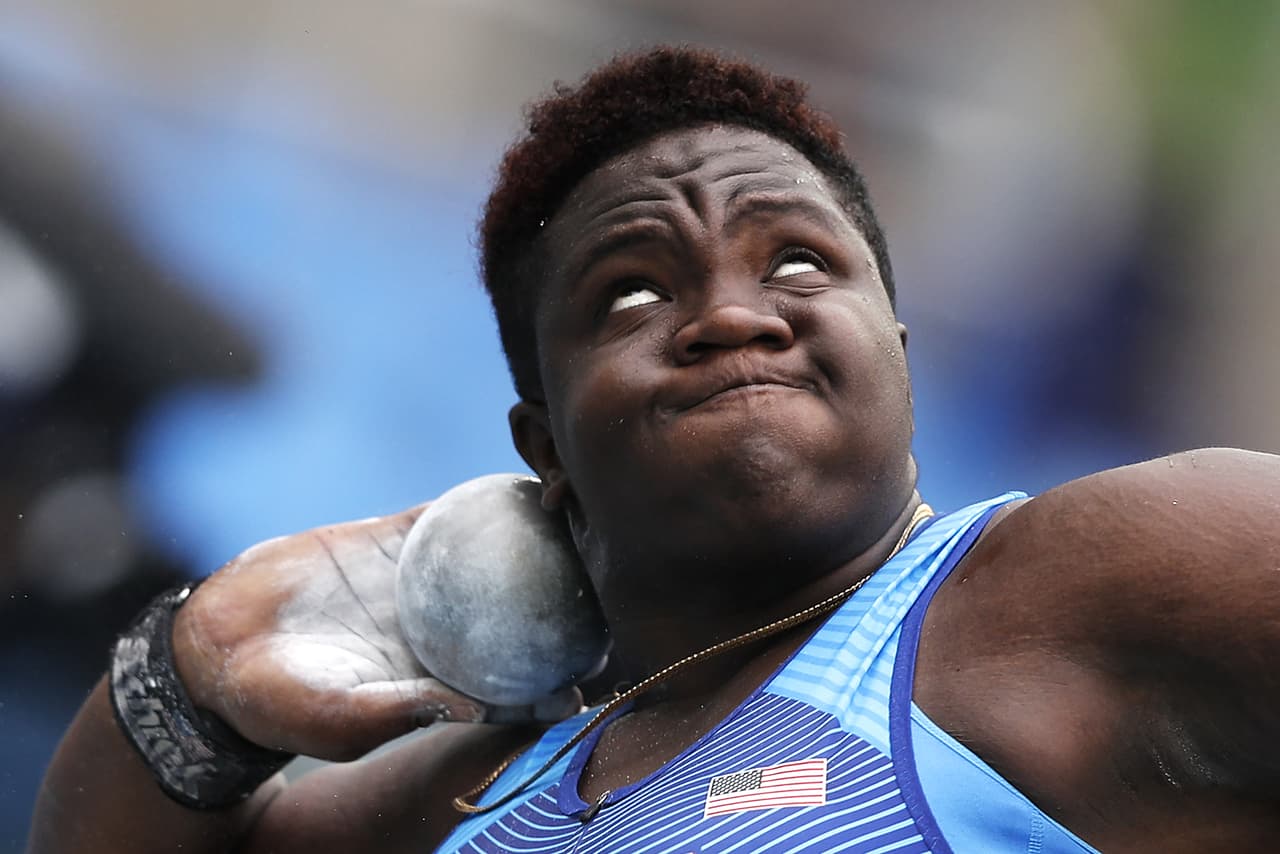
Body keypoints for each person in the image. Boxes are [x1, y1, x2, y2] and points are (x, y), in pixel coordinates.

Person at [28, 46, 1280, 854]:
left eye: (798, 261)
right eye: (631, 293)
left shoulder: (1098, 585)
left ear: (896, 346)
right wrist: (190, 675)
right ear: (543, 440)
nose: (733, 314)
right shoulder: (477, 797)